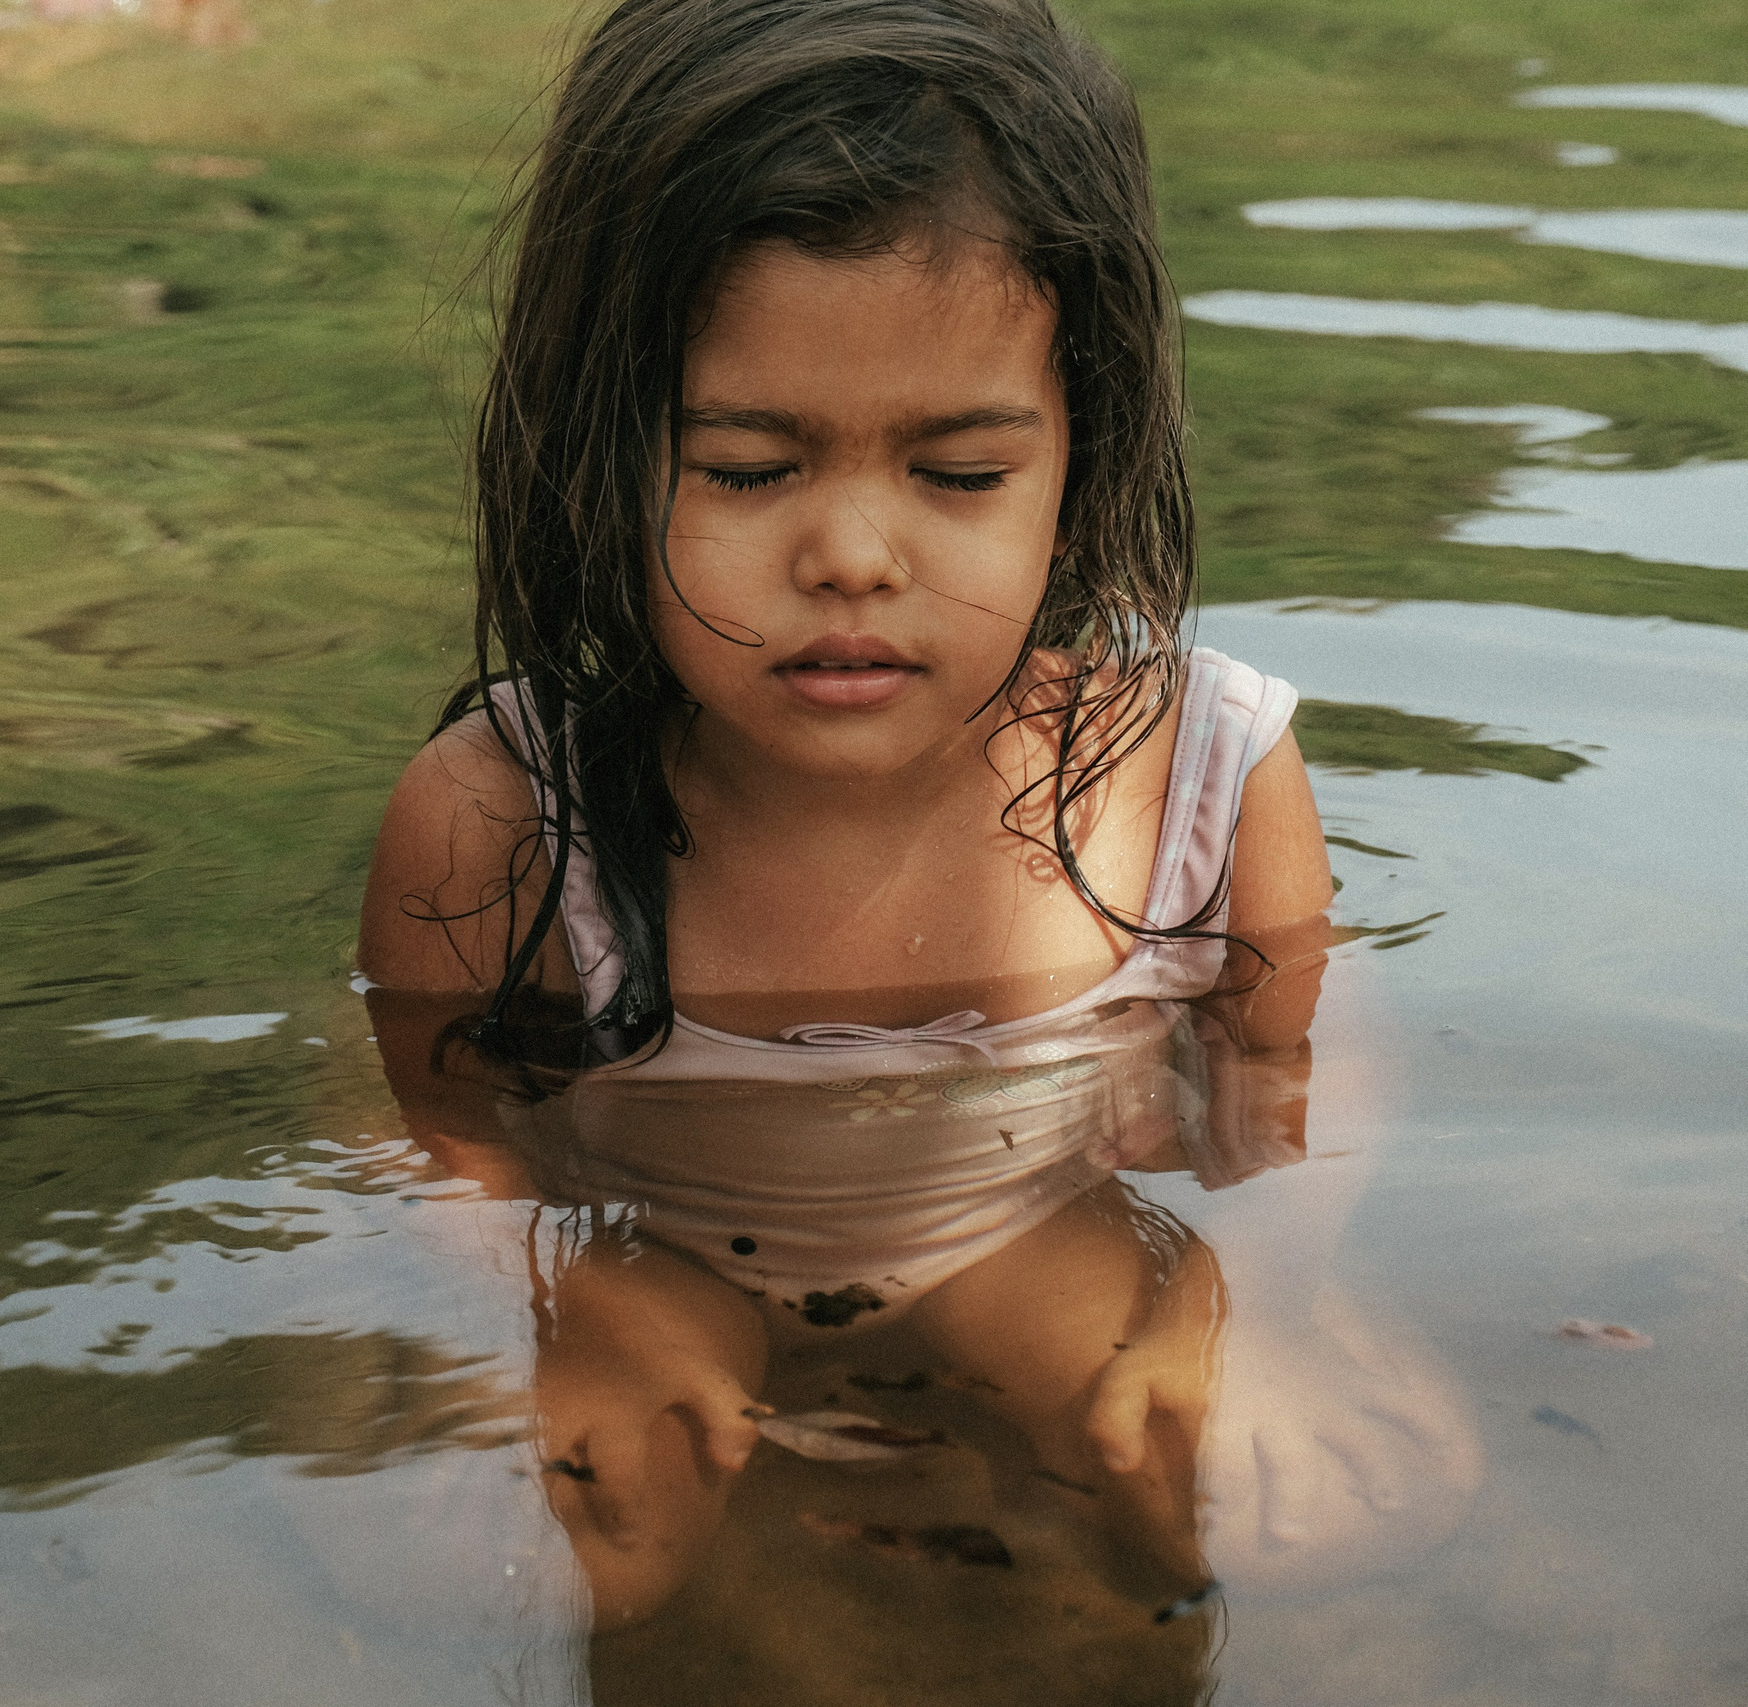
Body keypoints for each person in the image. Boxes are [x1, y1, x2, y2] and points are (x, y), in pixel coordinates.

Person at [357, 0, 1476, 1634]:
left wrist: (1263, 1299)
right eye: (746, 469)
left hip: (1022, 1231)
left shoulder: (1197, 780)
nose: (856, 557)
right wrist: (536, 1306)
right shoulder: (509, 816)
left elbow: (1302, 1055)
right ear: (600, 453)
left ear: (1079, 460)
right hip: (664, 1247)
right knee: (475, 1569)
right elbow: (431, 1120)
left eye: (959, 474)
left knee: (1274, 1523)